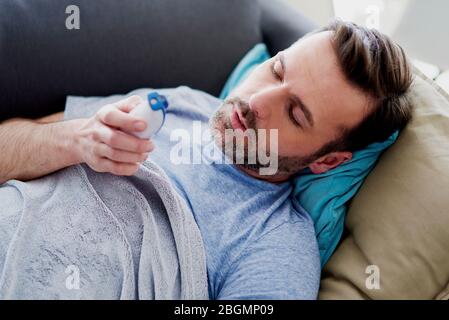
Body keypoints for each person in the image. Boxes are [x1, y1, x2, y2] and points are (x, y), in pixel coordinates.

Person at [0, 20, 413, 299]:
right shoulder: (179, 104)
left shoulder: (275, 246)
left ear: (327, 162)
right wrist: (73, 139)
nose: (254, 101)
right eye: (276, 70)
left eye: (294, 113)